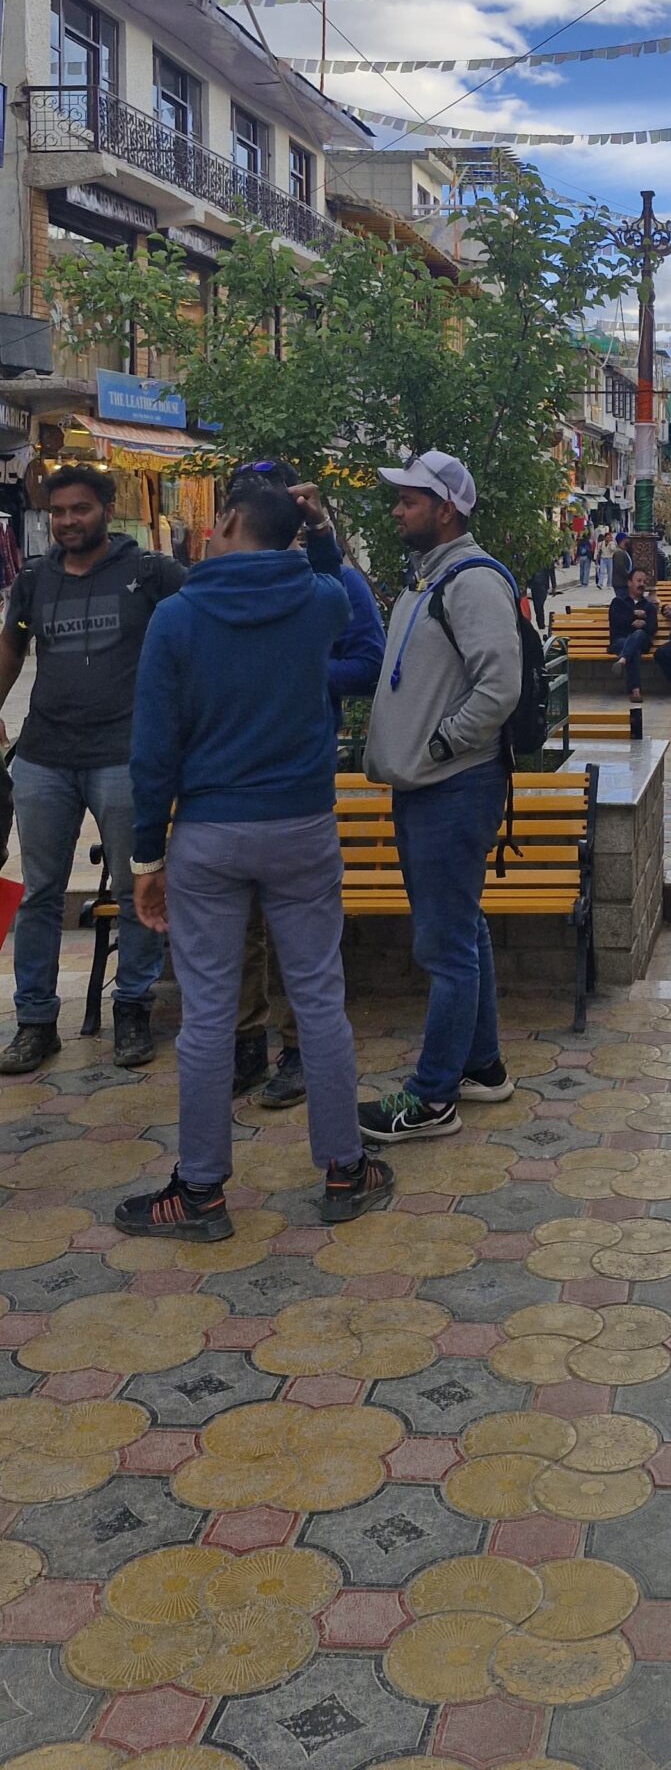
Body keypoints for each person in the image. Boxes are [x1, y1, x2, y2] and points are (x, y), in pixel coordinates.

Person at [118, 473, 393, 1237]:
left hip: (208, 834)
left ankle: (200, 1193)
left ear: (230, 518)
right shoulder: (319, 604)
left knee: (206, 1016)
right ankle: (344, 1171)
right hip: (301, 829)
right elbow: (337, 578)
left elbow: (152, 751)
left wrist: (147, 860)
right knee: (318, 999)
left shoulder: (176, 618)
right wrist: (322, 527)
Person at [359, 450, 523, 1143]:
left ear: (445, 508)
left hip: (451, 787)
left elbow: (499, 686)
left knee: (445, 944)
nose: (397, 510)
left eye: (409, 500)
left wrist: (439, 749)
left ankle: (430, 1098)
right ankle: (481, 1067)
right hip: (430, 787)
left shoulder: (470, 582)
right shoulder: (431, 578)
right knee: (462, 929)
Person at [0, 464, 186, 1074]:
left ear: (107, 508)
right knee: (39, 895)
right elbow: (13, 648)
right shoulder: (34, 579)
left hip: (123, 758)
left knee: (140, 887)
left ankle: (131, 1009)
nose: (67, 522)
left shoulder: (149, 573)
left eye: (79, 509)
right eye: (57, 513)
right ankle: (35, 1021)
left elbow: (203, 618)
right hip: (43, 760)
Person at [227, 459, 386, 1112]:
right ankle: (244, 1044)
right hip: (228, 783)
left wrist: (302, 672)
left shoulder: (335, 584)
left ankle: (297, 1051)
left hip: (297, 777)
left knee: (294, 927)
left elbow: (369, 663)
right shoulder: (222, 590)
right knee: (240, 926)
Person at [608, 566, 657, 703]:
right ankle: (635, 690)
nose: (642, 584)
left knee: (639, 634)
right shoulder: (618, 602)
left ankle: (622, 660)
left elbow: (653, 627)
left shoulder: (648, 606)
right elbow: (615, 621)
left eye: (644, 582)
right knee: (632, 649)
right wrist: (633, 616)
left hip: (642, 640)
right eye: (638, 581)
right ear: (629, 582)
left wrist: (644, 624)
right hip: (620, 641)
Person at [594, 527, 614, 591]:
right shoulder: (601, 543)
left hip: (610, 558)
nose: (607, 538)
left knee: (610, 572)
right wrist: (597, 559)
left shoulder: (612, 543)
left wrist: (610, 543)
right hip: (603, 558)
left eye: (609, 537)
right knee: (602, 571)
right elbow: (598, 551)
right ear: (605, 537)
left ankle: (609, 584)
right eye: (607, 537)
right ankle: (600, 584)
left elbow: (613, 549)